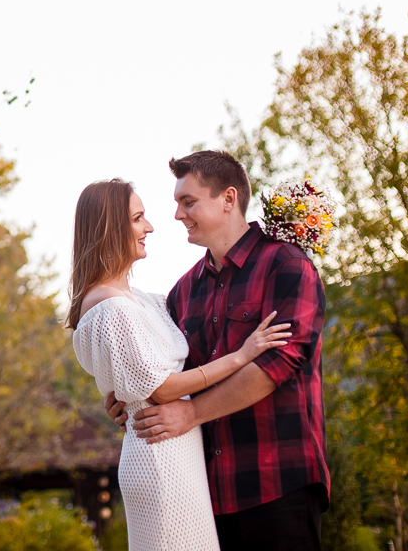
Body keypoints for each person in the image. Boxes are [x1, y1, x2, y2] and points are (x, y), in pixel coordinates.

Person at [106, 151, 330, 551]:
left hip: (278, 483)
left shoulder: (287, 265)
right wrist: (131, 396)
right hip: (205, 493)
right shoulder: (183, 291)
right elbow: (168, 376)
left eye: (188, 202)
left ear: (228, 199)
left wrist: (191, 413)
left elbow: (277, 365)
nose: (178, 214)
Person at [68, 178, 291, 551]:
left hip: (176, 449)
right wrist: (242, 354)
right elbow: (162, 389)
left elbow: (136, 378)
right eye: (137, 218)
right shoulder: (111, 306)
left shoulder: (142, 300)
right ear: (110, 228)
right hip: (160, 456)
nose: (149, 227)